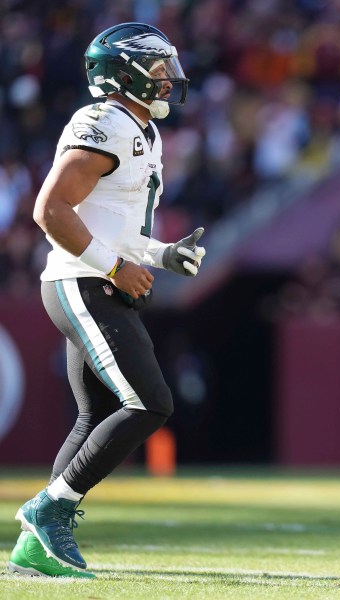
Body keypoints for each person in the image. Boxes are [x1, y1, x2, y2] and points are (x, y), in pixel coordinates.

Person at [6, 22, 206, 578]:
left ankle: (33, 548)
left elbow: (114, 224)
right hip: (82, 281)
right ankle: (48, 509)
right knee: (150, 402)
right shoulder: (103, 122)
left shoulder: (141, 129)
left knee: (95, 413)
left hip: (97, 278)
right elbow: (50, 210)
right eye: (158, 67)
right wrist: (115, 268)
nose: (170, 78)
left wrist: (163, 255)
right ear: (125, 72)